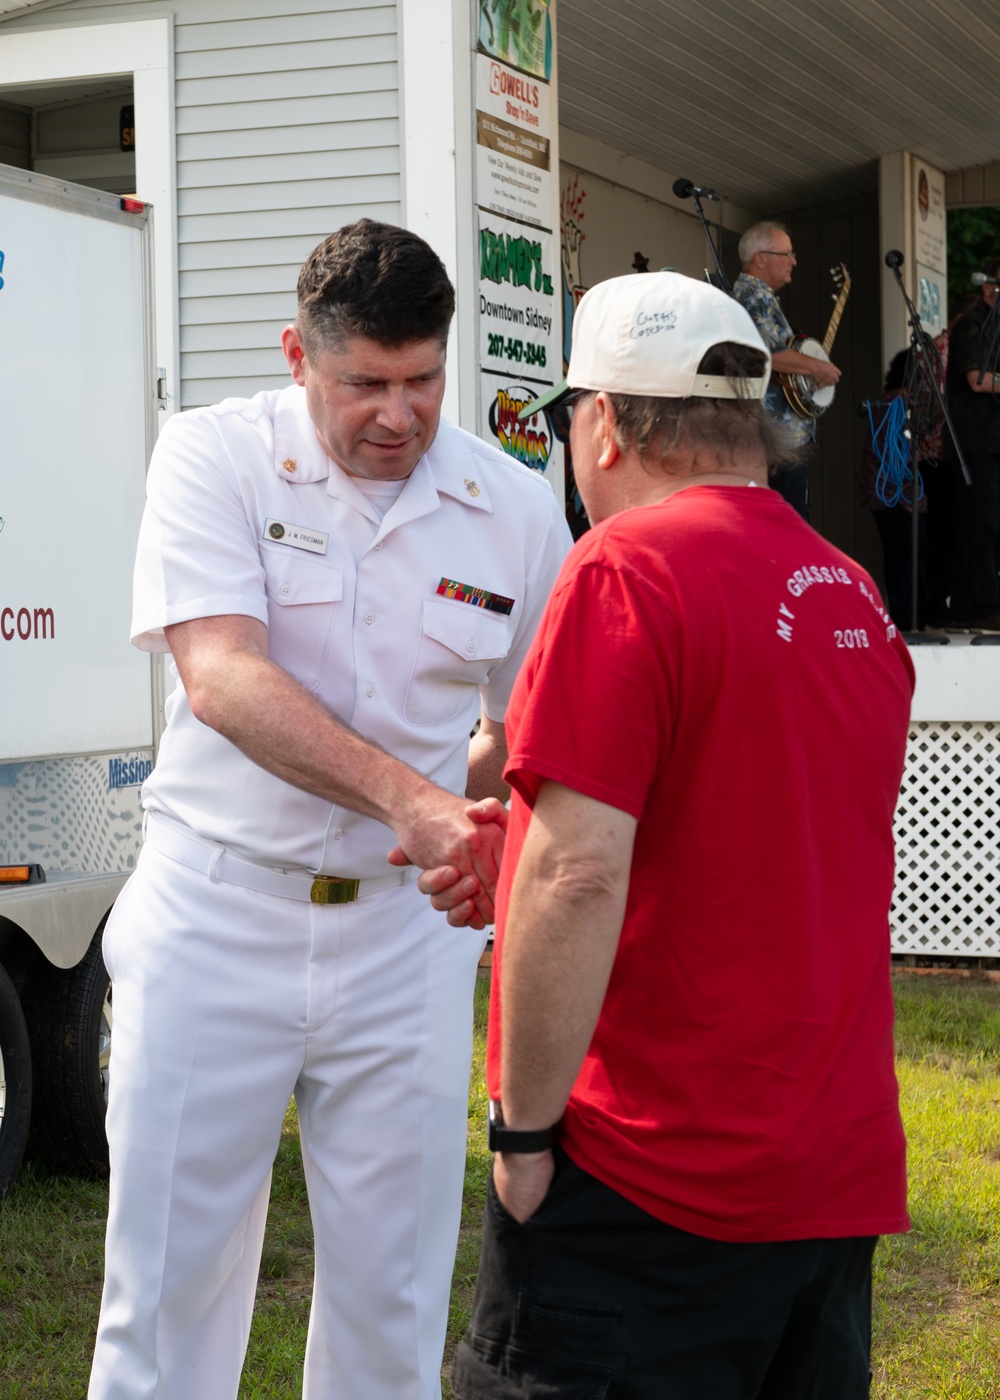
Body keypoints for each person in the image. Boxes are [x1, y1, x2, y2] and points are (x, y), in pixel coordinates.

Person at [88, 219, 571, 1400]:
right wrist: (418, 800)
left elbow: (534, 723)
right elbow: (224, 676)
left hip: (403, 937)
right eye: (364, 383)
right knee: (167, 1298)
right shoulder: (212, 456)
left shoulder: (511, 506)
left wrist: (492, 828)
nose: (398, 413)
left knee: (391, 1302)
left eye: (421, 380)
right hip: (217, 913)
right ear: (298, 355)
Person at [434, 271, 914, 1399]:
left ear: (600, 421)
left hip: (653, 1172)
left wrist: (521, 1135)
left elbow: (579, 875)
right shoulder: (852, 591)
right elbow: (756, 836)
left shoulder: (627, 569)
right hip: (829, 1168)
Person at [733, 220, 841, 518]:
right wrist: (817, 367)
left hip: (777, 435)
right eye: (787, 254)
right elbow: (762, 351)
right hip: (775, 435)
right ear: (761, 259)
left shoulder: (758, 297)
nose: (794, 261)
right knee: (785, 520)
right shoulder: (756, 296)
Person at [944, 258, 1000, 628]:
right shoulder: (973, 326)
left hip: (993, 442)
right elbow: (977, 381)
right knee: (984, 524)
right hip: (975, 444)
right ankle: (982, 608)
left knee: (987, 525)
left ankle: (965, 606)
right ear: (988, 286)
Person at [856, 349, 927, 630]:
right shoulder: (899, 403)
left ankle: (904, 617)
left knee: (899, 556)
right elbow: (900, 453)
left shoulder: (889, 401)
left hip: (883, 493)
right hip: (896, 494)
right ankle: (909, 620)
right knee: (907, 557)